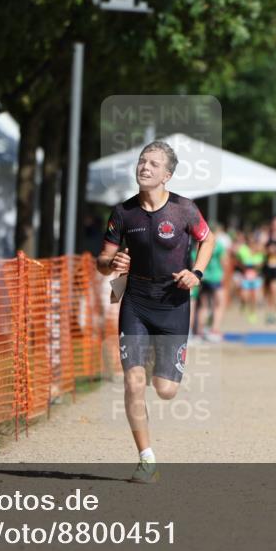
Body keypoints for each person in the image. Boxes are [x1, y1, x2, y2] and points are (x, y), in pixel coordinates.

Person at [97, 141, 215, 483]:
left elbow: (208, 240)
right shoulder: (123, 212)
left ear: (168, 174)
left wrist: (197, 272)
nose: (144, 167)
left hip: (174, 301)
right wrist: (112, 263)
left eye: (153, 164)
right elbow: (103, 262)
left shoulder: (184, 210)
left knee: (165, 390)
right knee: (134, 383)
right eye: (141, 161)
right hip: (136, 299)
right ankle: (146, 459)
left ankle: (155, 363)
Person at [261, 217, 276, 324]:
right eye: (275, 225)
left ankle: (273, 312)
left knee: (274, 289)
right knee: (267, 292)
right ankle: (269, 310)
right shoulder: (266, 236)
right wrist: (268, 251)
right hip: (267, 268)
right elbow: (259, 249)